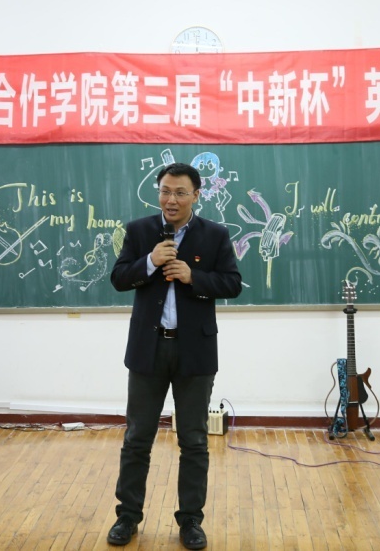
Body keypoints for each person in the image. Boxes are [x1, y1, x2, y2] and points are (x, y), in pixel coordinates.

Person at [107, 163, 242, 549]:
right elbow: (119, 279)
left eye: (180, 192)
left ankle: (191, 521)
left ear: (196, 195)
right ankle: (127, 517)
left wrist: (193, 277)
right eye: (165, 191)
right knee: (137, 438)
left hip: (194, 351)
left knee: (194, 441)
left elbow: (232, 283)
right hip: (148, 350)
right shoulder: (139, 231)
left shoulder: (215, 235)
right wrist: (150, 261)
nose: (171, 199)